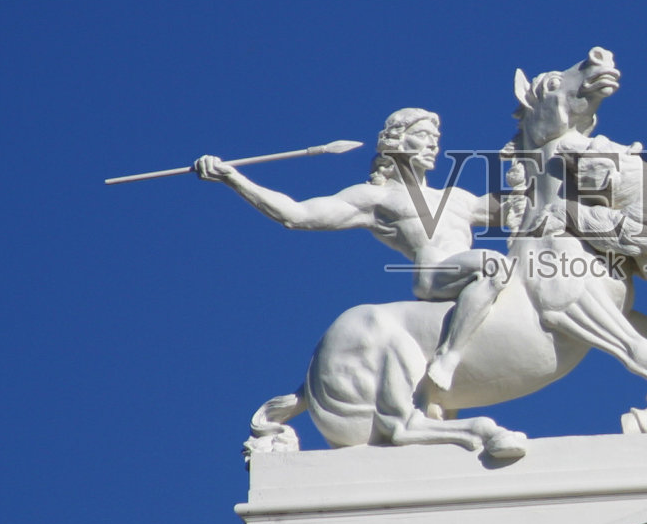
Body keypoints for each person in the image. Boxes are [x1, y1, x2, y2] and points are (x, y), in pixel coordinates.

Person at [193, 108, 508, 391]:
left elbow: (518, 204)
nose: (433, 144)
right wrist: (233, 178)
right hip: (435, 270)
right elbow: (296, 215)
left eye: (436, 138)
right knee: (493, 263)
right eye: (423, 136)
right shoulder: (375, 198)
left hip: (468, 272)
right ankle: (448, 356)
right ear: (397, 142)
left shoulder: (458, 197)